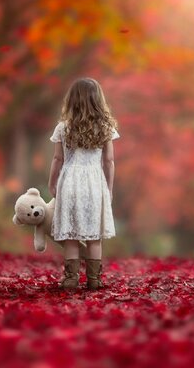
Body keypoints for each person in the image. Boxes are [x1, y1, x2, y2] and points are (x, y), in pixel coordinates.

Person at [48, 77, 120, 290]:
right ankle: (94, 279)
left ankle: (71, 279)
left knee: (71, 235)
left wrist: (52, 183)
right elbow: (109, 161)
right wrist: (109, 188)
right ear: (98, 100)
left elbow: (57, 159)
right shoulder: (105, 128)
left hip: (70, 182)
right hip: (94, 183)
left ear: (72, 100)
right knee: (94, 236)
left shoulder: (63, 128)